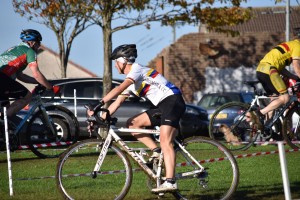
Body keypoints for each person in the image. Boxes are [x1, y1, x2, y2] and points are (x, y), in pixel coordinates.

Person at [88, 44, 186, 193]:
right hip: (161, 105)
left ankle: (170, 181)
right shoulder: (131, 80)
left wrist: (99, 103)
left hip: (172, 101)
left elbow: (119, 88)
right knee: (133, 124)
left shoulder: (136, 70)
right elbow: (118, 101)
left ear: (123, 61)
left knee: (166, 140)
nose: (115, 66)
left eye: (116, 62)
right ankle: (157, 150)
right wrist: (99, 118)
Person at [0, 29, 54, 117]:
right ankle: (3, 120)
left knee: (7, 109)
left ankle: (4, 126)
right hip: (2, 78)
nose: (39, 46)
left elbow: (21, 76)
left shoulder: (16, 49)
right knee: (27, 97)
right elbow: (36, 74)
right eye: (38, 42)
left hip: (3, 79)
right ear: (32, 43)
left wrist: (39, 82)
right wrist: (50, 87)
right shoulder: (29, 51)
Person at [255, 37, 300, 126]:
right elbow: (296, 66)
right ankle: (260, 113)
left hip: (261, 70)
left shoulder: (290, 44)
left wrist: (295, 77)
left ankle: (266, 127)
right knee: (285, 98)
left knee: (275, 100)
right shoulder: (298, 46)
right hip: (270, 71)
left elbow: (282, 69)